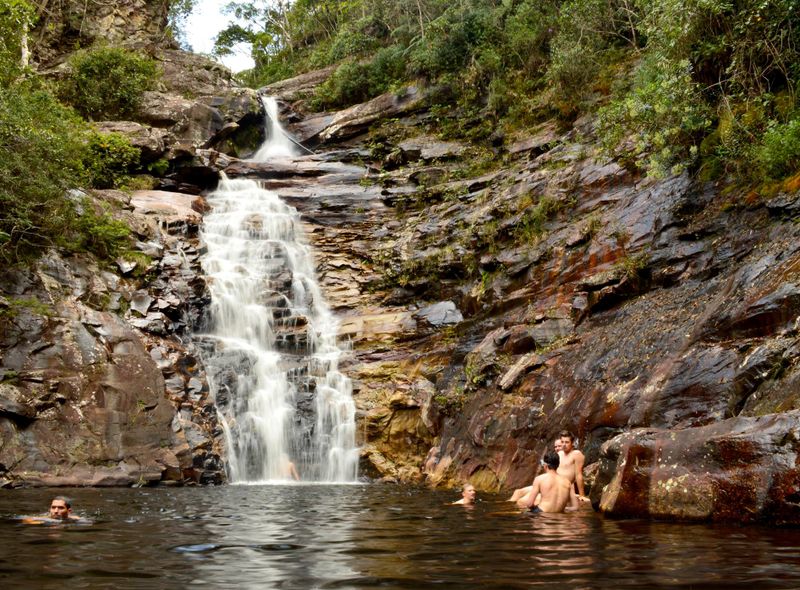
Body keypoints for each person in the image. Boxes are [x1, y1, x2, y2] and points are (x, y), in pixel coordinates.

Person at [507, 438, 564, 502]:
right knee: (517, 492)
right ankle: (507, 508)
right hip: (546, 484)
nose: (557, 448)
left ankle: (513, 510)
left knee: (522, 501)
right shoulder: (553, 458)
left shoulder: (566, 460)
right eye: (555, 446)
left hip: (554, 487)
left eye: (559, 446)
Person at [557, 430, 586, 498]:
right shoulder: (559, 454)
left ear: (572, 443)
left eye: (567, 442)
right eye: (562, 442)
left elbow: (578, 475)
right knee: (526, 490)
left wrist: (582, 495)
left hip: (563, 488)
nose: (564, 444)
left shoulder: (576, 454)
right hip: (553, 485)